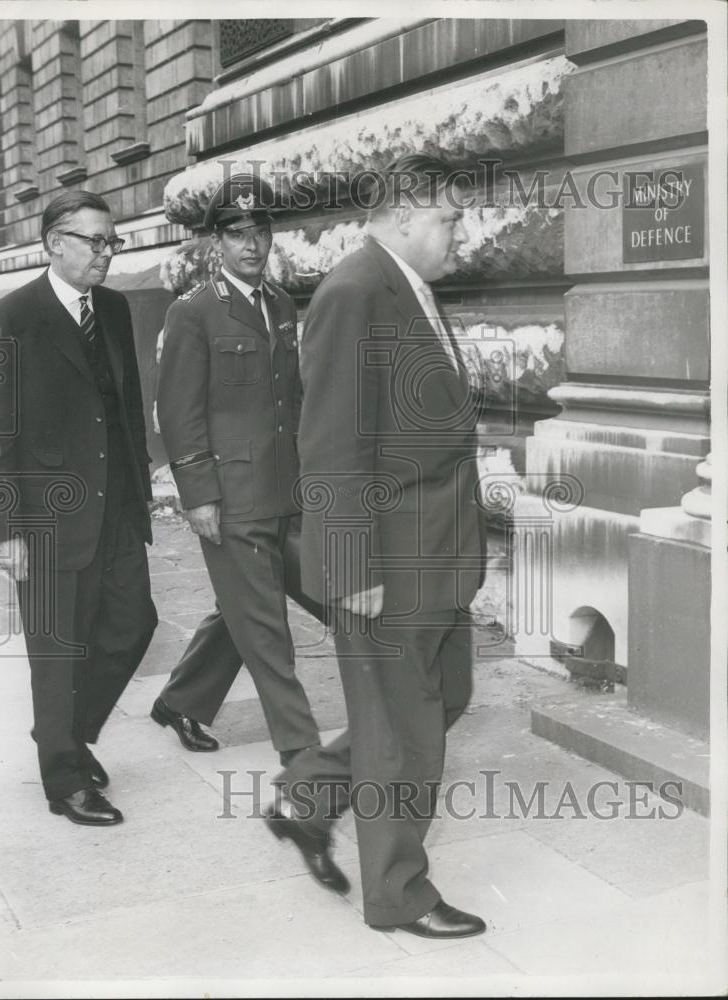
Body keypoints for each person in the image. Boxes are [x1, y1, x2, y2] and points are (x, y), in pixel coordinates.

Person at [264, 154, 489, 936]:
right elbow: (329, 443)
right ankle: (397, 895)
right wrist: (353, 565)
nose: (462, 231)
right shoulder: (354, 291)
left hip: (433, 553)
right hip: (385, 560)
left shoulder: (410, 286)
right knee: (403, 732)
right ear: (401, 215)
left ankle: (309, 797)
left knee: (442, 699)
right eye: (449, 218)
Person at [0, 191, 158, 826]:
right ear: (55, 243)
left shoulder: (116, 307)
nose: (107, 252)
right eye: (96, 242)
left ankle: (65, 737)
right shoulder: (9, 318)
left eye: (113, 241)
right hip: (44, 517)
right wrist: (4, 529)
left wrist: (142, 493)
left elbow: (126, 407)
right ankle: (66, 782)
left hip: (117, 508)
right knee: (56, 653)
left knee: (133, 625)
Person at [154, 173, 321, 767]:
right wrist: (198, 494)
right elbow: (178, 412)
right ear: (215, 245)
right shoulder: (194, 312)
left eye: (260, 231)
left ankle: (180, 699)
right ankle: (301, 749)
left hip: (285, 488)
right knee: (266, 625)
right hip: (231, 494)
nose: (251, 244)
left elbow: (291, 401)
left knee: (246, 606)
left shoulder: (279, 302)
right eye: (236, 234)